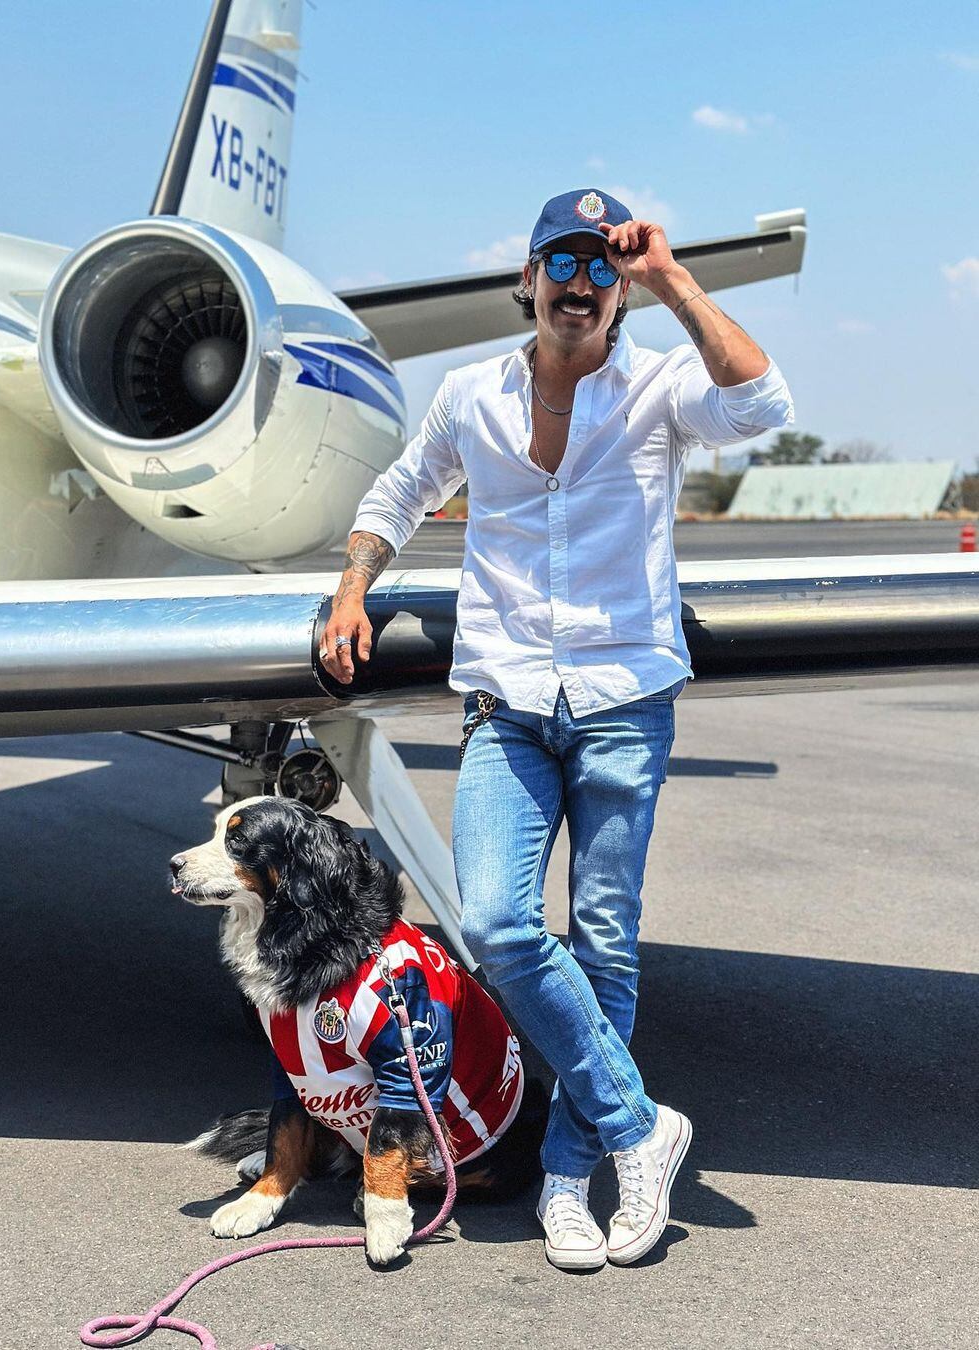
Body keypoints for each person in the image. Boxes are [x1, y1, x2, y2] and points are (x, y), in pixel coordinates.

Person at [318, 189, 793, 1270]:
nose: (579, 284)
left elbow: (764, 402)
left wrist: (672, 277)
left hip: (626, 703)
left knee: (607, 942)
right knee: (493, 921)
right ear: (526, 282)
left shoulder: (664, 382)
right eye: (559, 264)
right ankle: (639, 1128)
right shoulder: (469, 396)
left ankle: (574, 1183)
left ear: (617, 290)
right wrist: (355, 589)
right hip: (509, 706)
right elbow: (397, 494)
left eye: (600, 267)